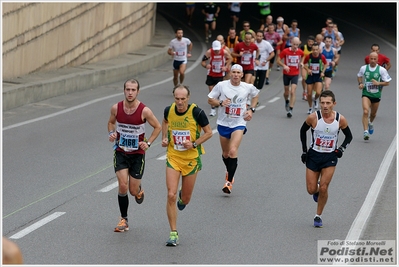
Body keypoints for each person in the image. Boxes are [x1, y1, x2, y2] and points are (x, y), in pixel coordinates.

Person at [108, 79, 162, 232]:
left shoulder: (144, 111)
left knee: (132, 190)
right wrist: (112, 133)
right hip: (121, 152)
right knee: (123, 185)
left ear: (138, 92)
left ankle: (138, 190)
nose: (130, 93)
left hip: (137, 154)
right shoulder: (116, 108)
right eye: (127, 89)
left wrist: (149, 143)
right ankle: (123, 219)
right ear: (124, 90)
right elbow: (111, 123)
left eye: (133, 90)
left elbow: (157, 127)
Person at [162, 84, 213, 246]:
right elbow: (164, 121)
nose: (180, 102)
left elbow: (209, 132)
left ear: (188, 98)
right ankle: (173, 233)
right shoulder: (168, 110)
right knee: (171, 194)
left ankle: (182, 201)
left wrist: (194, 143)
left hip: (191, 160)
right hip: (174, 157)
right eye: (177, 99)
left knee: (185, 199)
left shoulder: (197, 113)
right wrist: (165, 137)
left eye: (183, 99)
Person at [300, 90, 353, 227]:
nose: (325, 106)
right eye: (322, 103)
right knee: (311, 189)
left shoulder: (340, 119)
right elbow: (302, 131)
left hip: (329, 156)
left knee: (324, 187)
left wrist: (341, 149)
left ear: (333, 104)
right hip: (314, 155)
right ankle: (316, 191)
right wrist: (304, 151)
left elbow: (349, 136)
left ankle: (318, 216)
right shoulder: (313, 118)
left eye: (328, 103)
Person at [207, 64, 259, 194]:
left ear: (242, 75)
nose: (236, 75)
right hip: (224, 122)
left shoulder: (247, 87)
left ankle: (229, 182)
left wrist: (251, 109)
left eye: (238, 73)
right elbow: (210, 99)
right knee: (225, 154)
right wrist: (220, 103)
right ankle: (229, 171)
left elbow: (256, 94)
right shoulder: (221, 85)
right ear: (230, 73)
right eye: (234, 72)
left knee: (232, 150)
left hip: (239, 122)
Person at [357, 52, 391, 140]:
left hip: (376, 94)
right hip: (366, 93)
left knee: (373, 114)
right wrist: (360, 83)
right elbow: (359, 76)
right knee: (365, 111)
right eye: (371, 59)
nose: (372, 60)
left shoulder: (381, 70)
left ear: (377, 60)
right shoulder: (364, 68)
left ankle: (370, 123)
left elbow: (387, 82)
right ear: (369, 59)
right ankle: (365, 132)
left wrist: (378, 83)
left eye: (374, 59)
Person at [201, 40, 233, 116]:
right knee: (212, 93)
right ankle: (213, 109)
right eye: (215, 50)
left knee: (219, 92)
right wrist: (206, 66)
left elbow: (231, 58)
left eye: (217, 50)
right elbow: (202, 62)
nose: (216, 51)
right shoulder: (209, 52)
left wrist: (226, 66)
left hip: (219, 74)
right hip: (211, 74)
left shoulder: (224, 52)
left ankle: (221, 105)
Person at [276, 37, 304, 118]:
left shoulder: (300, 52)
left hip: (295, 74)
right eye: (294, 44)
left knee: (293, 91)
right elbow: (278, 60)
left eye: (297, 45)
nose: (295, 46)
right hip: (286, 74)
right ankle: (286, 101)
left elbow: (303, 57)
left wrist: (301, 63)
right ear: (291, 43)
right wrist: (284, 66)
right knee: (286, 92)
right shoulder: (285, 51)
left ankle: (291, 109)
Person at [303, 43, 328, 114]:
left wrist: (323, 72)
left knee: (318, 92)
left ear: (319, 50)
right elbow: (304, 64)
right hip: (311, 76)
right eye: (313, 50)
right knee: (309, 94)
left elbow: (326, 64)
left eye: (316, 50)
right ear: (312, 50)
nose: (315, 51)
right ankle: (310, 108)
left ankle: (315, 100)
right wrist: (308, 70)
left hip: (318, 76)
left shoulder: (321, 57)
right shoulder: (309, 57)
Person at [300, 35, 315, 100]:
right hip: (304, 64)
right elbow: (299, 54)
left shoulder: (315, 49)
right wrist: (300, 62)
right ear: (307, 42)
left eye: (312, 42)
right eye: (309, 41)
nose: (310, 43)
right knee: (304, 77)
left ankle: (312, 92)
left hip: (312, 65)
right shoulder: (303, 47)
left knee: (313, 79)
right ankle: (304, 91)